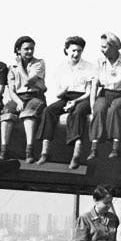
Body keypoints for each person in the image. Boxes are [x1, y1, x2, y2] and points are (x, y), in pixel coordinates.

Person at [38, 36, 95, 168]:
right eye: (73, 50)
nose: (76, 54)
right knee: (49, 110)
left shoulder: (89, 67)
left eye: (79, 51)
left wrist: (74, 102)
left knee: (78, 112)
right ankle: (45, 152)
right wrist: (64, 92)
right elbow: (58, 93)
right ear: (66, 50)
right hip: (66, 98)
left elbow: (89, 92)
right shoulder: (60, 68)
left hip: (82, 98)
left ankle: (76, 155)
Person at [86, 33, 121, 160]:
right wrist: (92, 104)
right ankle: (94, 148)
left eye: (104, 47)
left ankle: (115, 147)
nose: (101, 50)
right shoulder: (99, 62)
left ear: (114, 47)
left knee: (114, 109)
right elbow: (94, 85)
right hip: (105, 93)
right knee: (99, 108)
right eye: (101, 47)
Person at [2, 36, 46, 162]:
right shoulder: (12, 69)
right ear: (18, 50)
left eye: (32, 49)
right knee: (6, 114)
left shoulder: (39, 63)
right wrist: (18, 101)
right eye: (26, 49)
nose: (30, 52)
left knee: (28, 114)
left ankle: (29, 150)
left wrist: (20, 65)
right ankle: (3, 150)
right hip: (18, 98)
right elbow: (11, 90)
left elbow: (28, 81)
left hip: (35, 96)